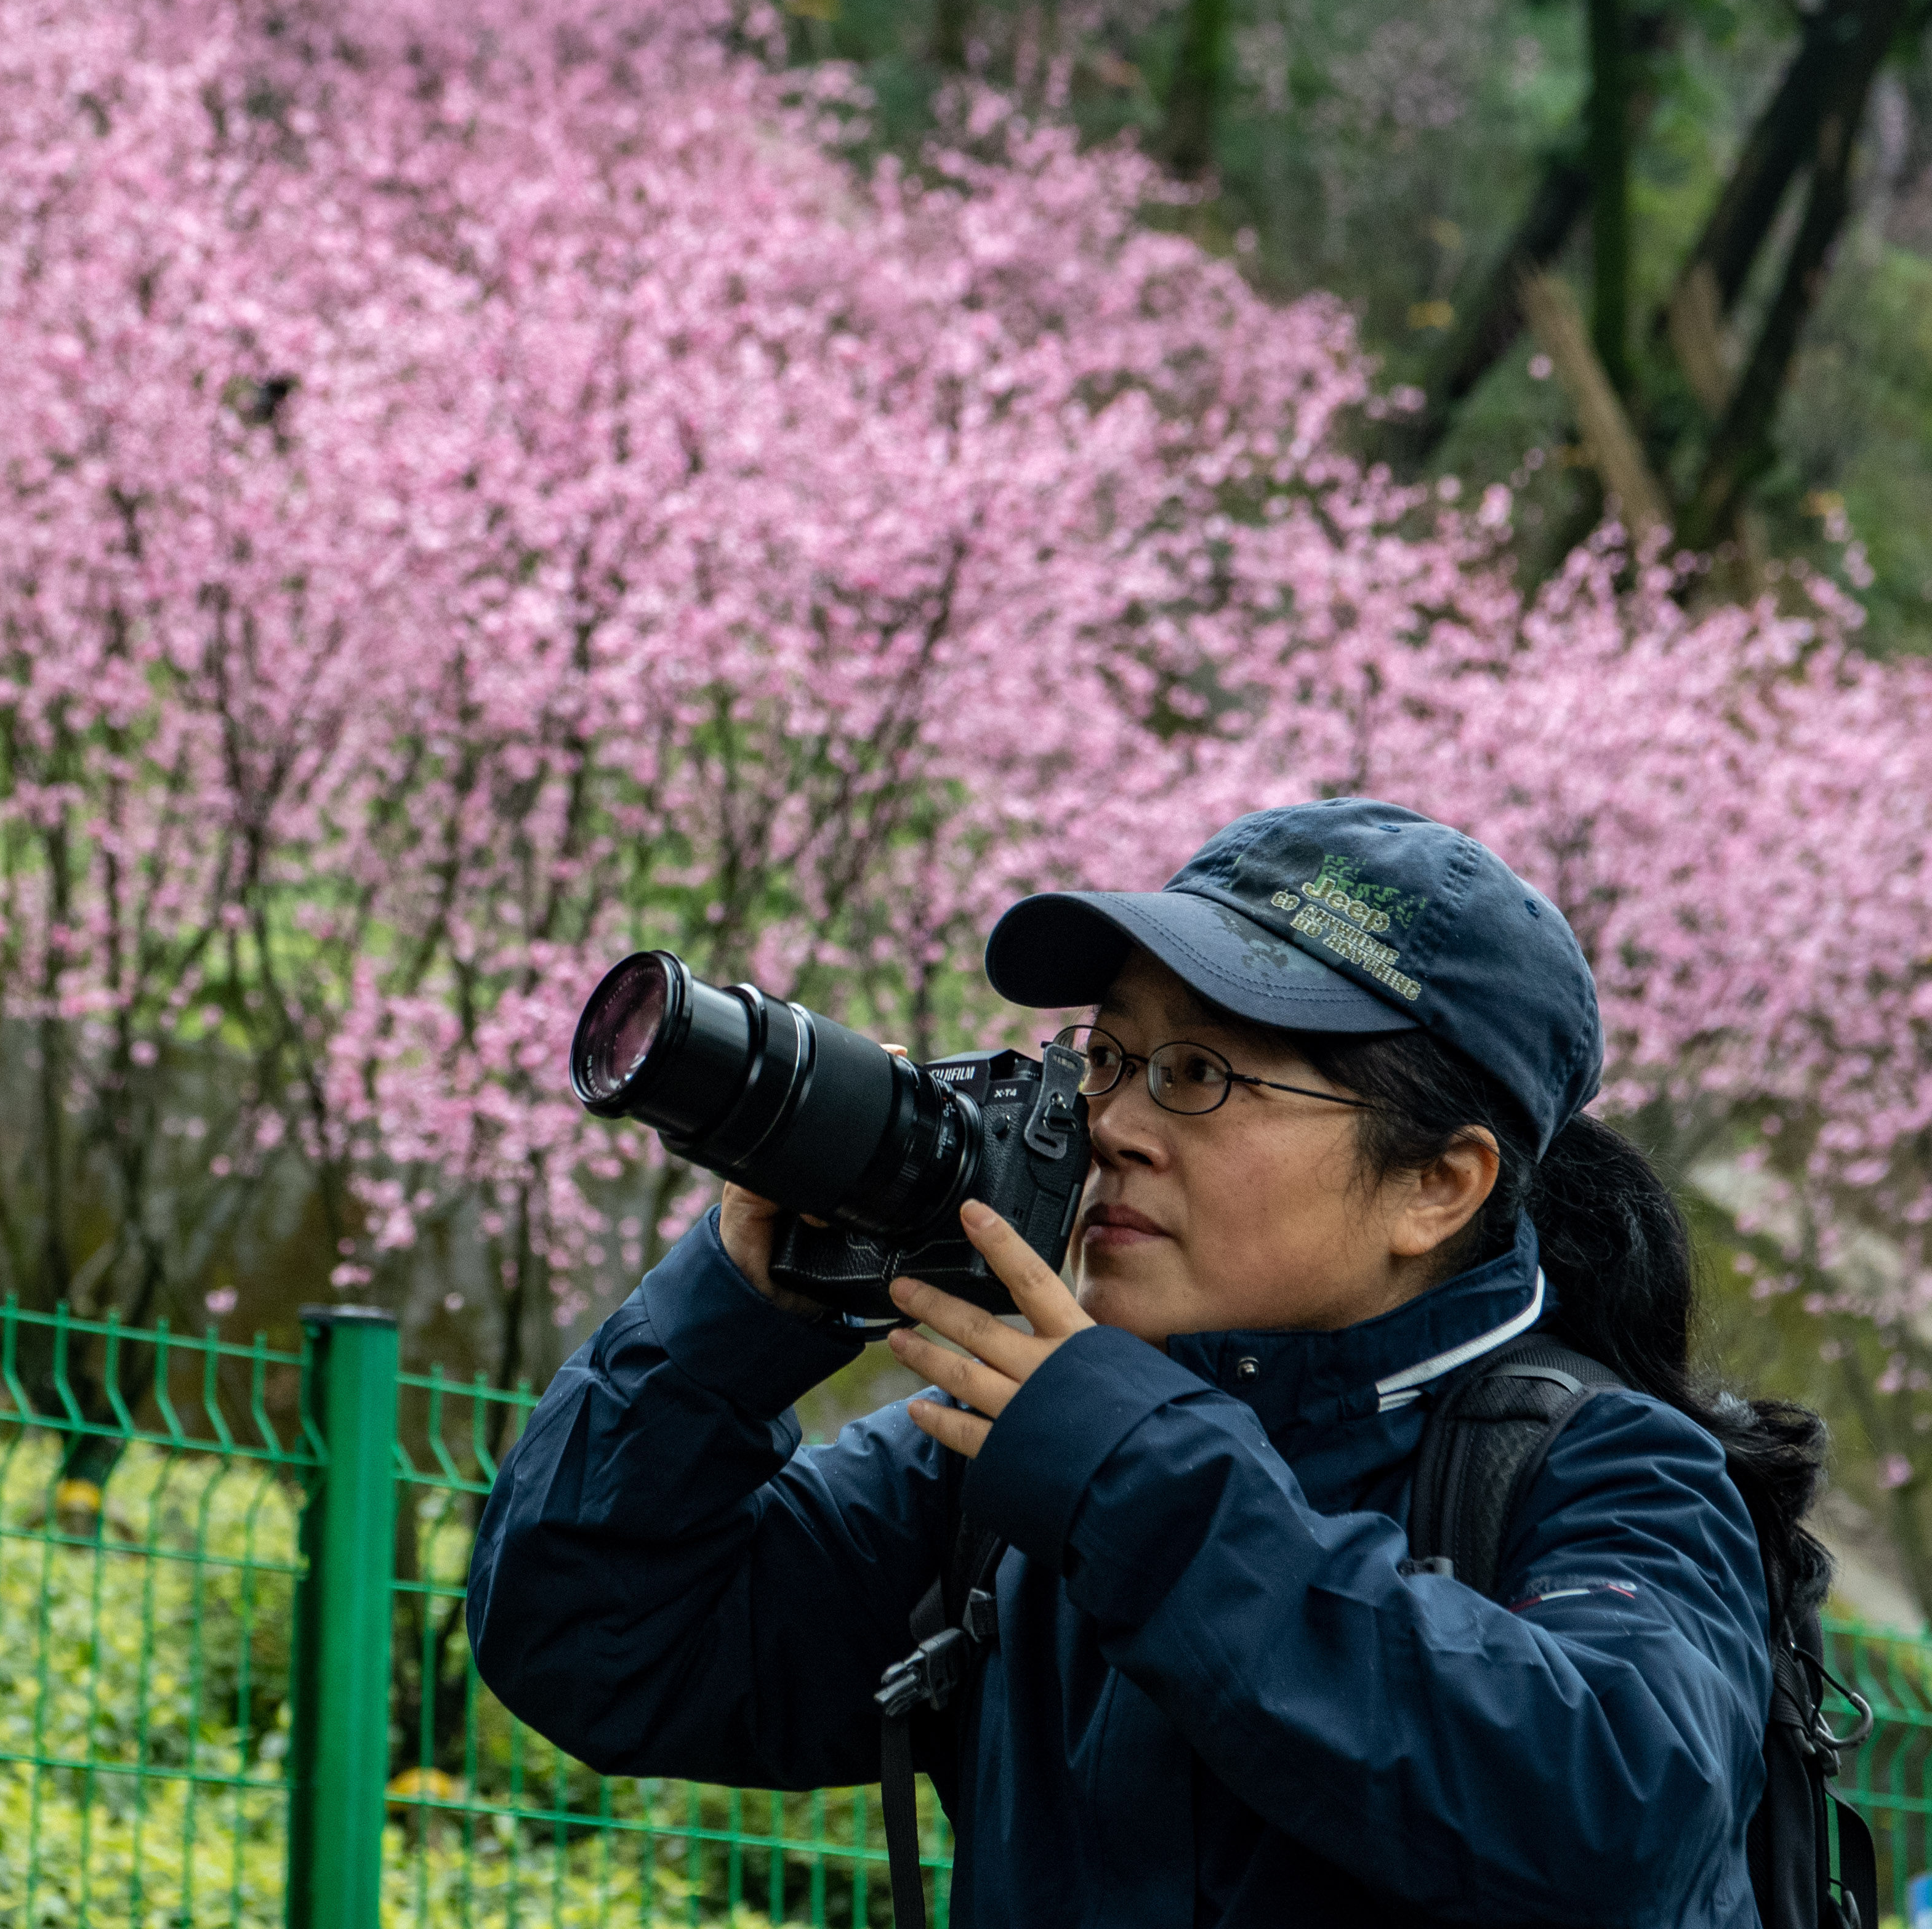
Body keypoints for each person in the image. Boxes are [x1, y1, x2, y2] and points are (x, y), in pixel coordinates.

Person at [464, 798, 1829, 1927]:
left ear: (1438, 1181)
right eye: (1111, 1054)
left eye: (1199, 1073)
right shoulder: (1014, 1461)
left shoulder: (1607, 1471)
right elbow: (596, 1642)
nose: (1113, 1121)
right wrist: (730, 1311)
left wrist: (1132, 1474)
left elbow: (1609, 1817)